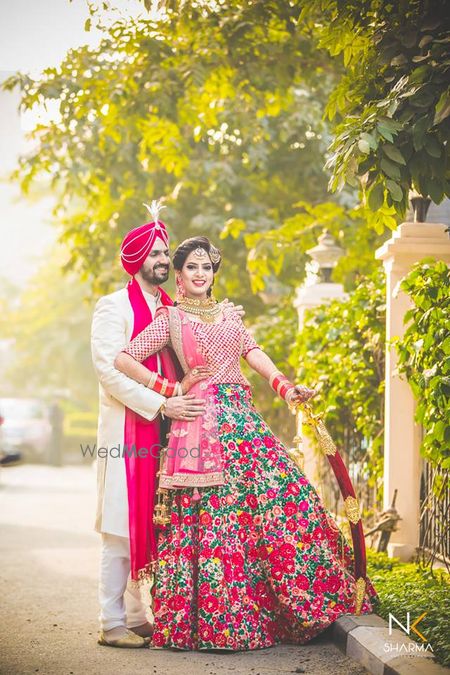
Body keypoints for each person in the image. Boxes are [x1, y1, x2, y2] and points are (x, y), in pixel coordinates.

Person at [114, 236, 379, 651]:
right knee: (214, 519)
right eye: (192, 267)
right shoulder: (170, 318)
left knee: (285, 498)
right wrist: (169, 388)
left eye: (207, 267)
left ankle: (286, 607)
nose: (201, 274)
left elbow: (253, 352)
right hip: (199, 422)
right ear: (179, 276)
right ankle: (219, 622)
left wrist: (286, 388)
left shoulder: (229, 314)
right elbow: (124, 358)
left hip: (242, 419)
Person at [91, 209, 208, 649]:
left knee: (152, 525)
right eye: (156, 253)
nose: (164, 259)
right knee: (121, 529)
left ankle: (137, 616)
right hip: (127, 433)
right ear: (138, 257)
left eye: (165, 253)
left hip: (167, 433)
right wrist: (163, 400)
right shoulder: (113, 307)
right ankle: (110, 622)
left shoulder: (171, 310)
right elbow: (109, 370)